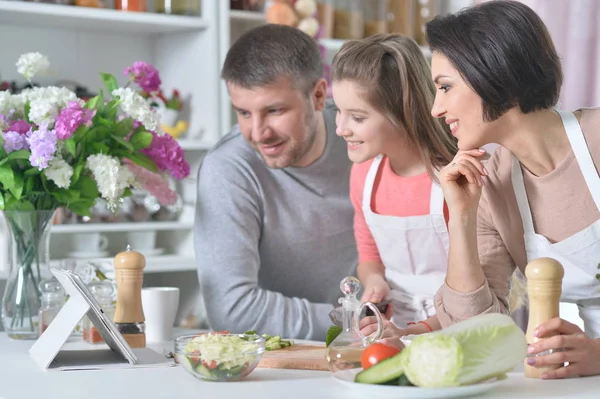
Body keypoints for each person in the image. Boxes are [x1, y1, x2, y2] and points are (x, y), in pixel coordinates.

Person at [427, 0, 600, 379]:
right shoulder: (492, 186)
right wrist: (462, 216)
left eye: (445, 87)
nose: (436, 108)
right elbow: (476, 337)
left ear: (495, 73)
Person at [193, 24, 357, 341]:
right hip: (276, 360)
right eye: (243, 112)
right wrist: (355, 322)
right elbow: (232, 311)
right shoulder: (228, 169)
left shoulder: (362, 136)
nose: (258, 132)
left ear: (319, 95)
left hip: (379, 344)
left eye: (274, 110)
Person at [331, 34, 457, 339]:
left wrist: (411, 333)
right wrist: (375, 280)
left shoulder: (454, 179)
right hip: (395, 332)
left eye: (357, 117)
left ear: (402, 111)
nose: (340, 128)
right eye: (338, 110)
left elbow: (477, 289)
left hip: (459, 331)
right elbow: (368, 250)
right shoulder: (364, 175)